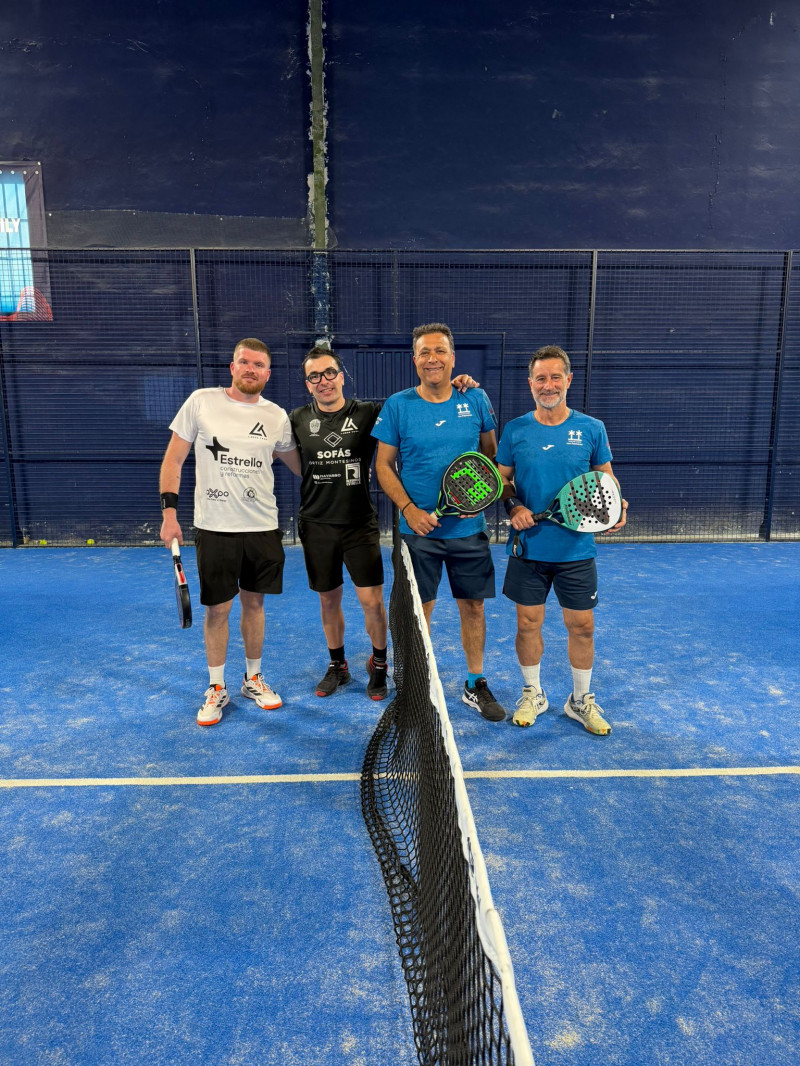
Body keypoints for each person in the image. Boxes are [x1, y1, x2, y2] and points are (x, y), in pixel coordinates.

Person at [159, 337, 301, 727]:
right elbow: (173, 459)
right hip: (215, 527)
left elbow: (301, 466)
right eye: (245, 362)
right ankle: (216, 686)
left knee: (254, 605)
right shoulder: (201, 402)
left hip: (262, 527)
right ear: (232, 367)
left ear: (268, 374)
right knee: (218, 609)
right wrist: (169, 514)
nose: (251, 369)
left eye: (259, 364)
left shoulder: (276, 416)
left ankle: (253, 679)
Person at [373, 322, 506, 723]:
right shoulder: (398, 405)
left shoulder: (475, 398)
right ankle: (418, 684)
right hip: (418, 534)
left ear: (453, 357)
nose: (433, 359)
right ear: (414, 360)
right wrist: (409, 509)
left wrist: (481, 495)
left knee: (473, 606)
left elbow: (492, 460)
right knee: (419, 612)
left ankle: (474, 683)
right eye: (425, 352)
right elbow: (383, 465)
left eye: (440, 351)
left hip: (468, 531)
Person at [495, 344, 627, 735]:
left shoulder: (591, 428)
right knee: (527, 624)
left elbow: (605, 477)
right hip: (528, 547)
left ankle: (580, 700)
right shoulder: (515, 430)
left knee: (582, 626)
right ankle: (533, 693)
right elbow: (501, 480)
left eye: (555, 377)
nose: (548, 385)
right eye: (541, 378)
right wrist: (514, 506)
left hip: (576, 549)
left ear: (568, 380)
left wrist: (618, 503)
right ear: (530, 383)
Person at [289, 346, 389, 700]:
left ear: (341, 376)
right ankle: (338, 666)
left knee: (372, 601)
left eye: (329, 372)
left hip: (359, 524)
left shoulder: (368, 413)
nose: (324, 381)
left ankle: (379, 664)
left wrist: (455, 386)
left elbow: (412, 409)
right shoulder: (297, 418)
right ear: (308, 384)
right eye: (314, 376)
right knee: (328, 600)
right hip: (316, 525)